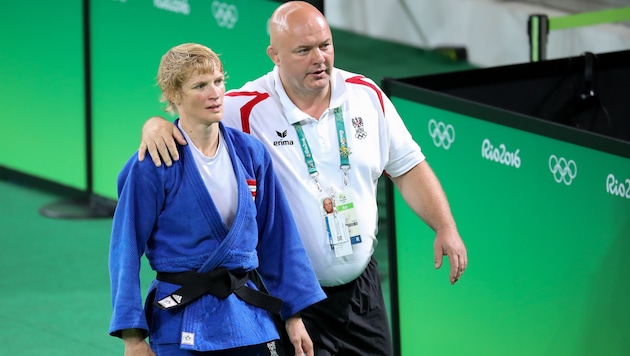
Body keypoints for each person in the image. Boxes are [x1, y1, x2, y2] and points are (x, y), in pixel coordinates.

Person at [138, 2, 468, 355]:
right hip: (283, 295)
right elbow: (192, 117)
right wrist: (154, 125)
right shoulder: (245, 108)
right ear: (275, 55)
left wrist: (445, 226)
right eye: (304, 50)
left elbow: (408, 166)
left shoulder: (365, 95)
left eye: (325, 45)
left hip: (360, 290)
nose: (320, 58)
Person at [108, 42, 326, 356]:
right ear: (174, 95)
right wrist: (132, 337)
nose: (215, 93)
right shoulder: (152, 165)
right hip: (181, 319)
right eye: (200, 86)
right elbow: (124, 249)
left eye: (218, 81)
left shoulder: (250, 153)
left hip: (249, 318)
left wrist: (294, 316)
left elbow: (279, 239)